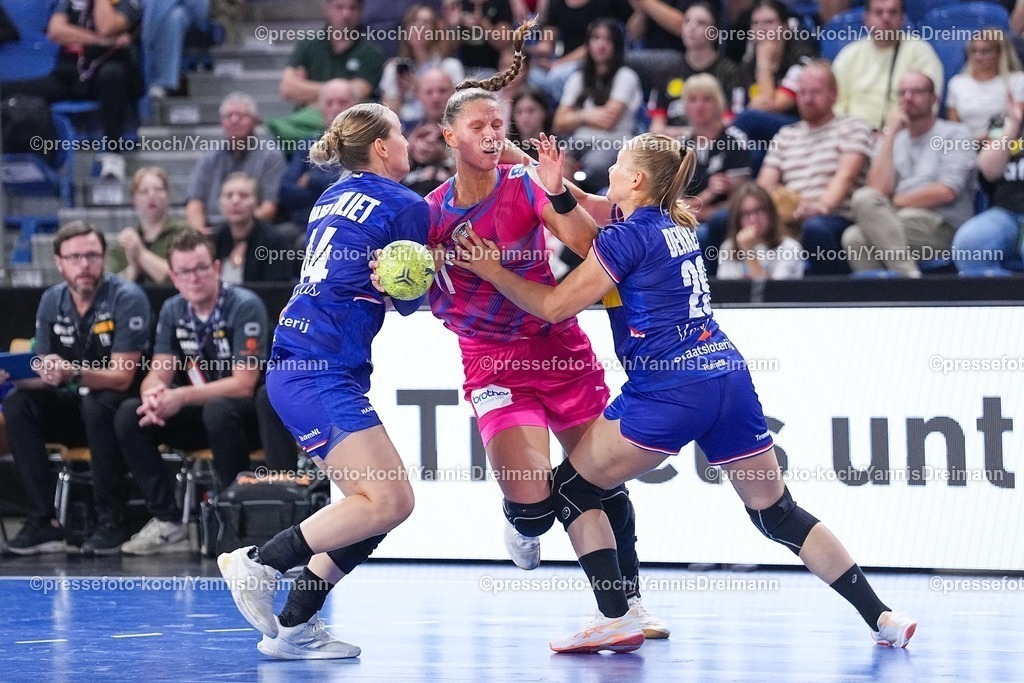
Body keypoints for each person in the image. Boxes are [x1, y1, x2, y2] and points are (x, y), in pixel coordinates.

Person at [451, 131, 918, 653]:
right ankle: (883, 617)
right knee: (777, 512)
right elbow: (597, 209)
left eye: (618, 165)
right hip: (727, 376)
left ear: (636, 179)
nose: (607, 171)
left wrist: (490, 269)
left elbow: (556, 305)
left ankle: (614, 616)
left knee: (571, 489)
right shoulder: (676, 223)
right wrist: (548, 179)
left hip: (670, 386)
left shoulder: (626, 238)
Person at [423, 19, 668, 639]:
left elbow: (590, 245)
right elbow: (410, 288)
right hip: (491, 359)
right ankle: (524, 523)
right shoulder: (427, 214)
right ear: (449, 135)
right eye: (476, 125)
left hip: (557, 350)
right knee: (533, 504)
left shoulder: (527, 185)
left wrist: (556, 191)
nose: (489, 132)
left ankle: (626, 605)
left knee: (598, 477)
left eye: (497, 124)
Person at [217, 102, 428, 659]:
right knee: (390, 499)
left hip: (302, 362)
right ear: (382, 147)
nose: (408, 144)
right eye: (401, 135)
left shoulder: (330, 196)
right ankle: (258, 563)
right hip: (321, 367)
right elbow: (413, 298)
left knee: (376, 504)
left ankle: (294, 626)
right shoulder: (404, 204)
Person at [114, 229, 269, 554]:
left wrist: (179, 396)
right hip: (200, 413)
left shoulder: (244, 305)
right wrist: (154, 395)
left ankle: (235, 519)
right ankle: (169, 523)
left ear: (215, 268)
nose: (193, 278)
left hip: (245, 417)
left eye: (200, 268)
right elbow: (160, 371)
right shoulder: (173, 310)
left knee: (219, 409)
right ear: (173, 276)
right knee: (131, 414)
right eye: (184, 271)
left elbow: (243, 384)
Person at [2, 222, 150, 555]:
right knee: (17, 404)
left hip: (121, 409)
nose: (84, 265)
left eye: (92, 256)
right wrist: (11, 375)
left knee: (98, 402)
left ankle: (111, 519)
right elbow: (43, 373)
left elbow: (123, 376)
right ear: (58, 262)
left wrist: (72, 373)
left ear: (103, 259)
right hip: (73, 406)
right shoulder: (51, 301)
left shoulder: (127, 297)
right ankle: (44, 521)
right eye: (74, 257)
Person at [843, 72, 976, 277]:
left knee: (861, 222)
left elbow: (946, 192)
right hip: (896, 223)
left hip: (942, 224)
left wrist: (892, 202)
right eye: (902, 93)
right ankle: (897, 291)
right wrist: (890, 135)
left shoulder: (956, 134)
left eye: (917, 91)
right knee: (853, 237)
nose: (908, 98)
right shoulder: (892, 139)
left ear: (935, 98)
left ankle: (908, 285)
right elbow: (878, 190)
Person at [0, 0, 144, 180]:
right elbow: (56, 31)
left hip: (107, 76)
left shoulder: (128, 3)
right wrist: (99, 41)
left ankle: (113, 154)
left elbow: (106, 26)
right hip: (70, 75)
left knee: (112, 76)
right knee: (6, 90)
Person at [757, 61, 872, 276]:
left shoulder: (853, 128)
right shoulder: (785, 135)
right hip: (789, 217)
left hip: (836, 217)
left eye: (815, 92)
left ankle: (828, 300)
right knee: (723, 223)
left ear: (834, 95)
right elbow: (764, 185)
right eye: (802, 92)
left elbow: (845, 177)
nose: (807, 99)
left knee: (815, 228)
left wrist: (822, 206)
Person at [552, 18, 644, 192]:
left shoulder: (626, 76)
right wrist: (585, 116)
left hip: (612, 143)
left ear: (616, 45)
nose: (601, 44)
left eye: (608, 39)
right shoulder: (577, 78)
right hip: (579, 142)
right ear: (588, 43)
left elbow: (608, 120)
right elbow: (558, 123)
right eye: (596, 38)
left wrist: (575, 116)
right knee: (558, 167)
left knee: (593, 167)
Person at [832, 0, 943, 130]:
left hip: (906, 135)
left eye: (893, 12)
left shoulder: (920, 52)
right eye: (879, 12)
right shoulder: (849, 54)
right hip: (852, 136)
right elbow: (834, 104)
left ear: (902, 18)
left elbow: (928, 105)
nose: (886, 18)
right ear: (866, 19)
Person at [185, 93, 287, 233]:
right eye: (229, 116)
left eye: (241, 115)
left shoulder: (271, 156)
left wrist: (233, 231)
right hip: (212, 229)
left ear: (255, 121)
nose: (234, 120)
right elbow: (194, 202)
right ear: (222, 122)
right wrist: (199, 232)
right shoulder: (210, 156)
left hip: (254, 231)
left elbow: (269, 207)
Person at [952, 95, 1024, 275]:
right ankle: (1001, 298)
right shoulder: (1003, 122)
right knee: (968, 245)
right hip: (1006, 213)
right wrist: (1013, 126)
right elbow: (989, 171)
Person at [379, 4, 464, 124]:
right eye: (413, 22)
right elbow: (388, 119)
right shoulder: (394, 68)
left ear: (435, 30)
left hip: (440, 127)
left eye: (426, 22)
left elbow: (458, 112)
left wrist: (420, 91)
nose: (419, 27)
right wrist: (400, 93)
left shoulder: (450, 67)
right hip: (403, 129)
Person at [106, 167, 188, 285]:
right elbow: (109, 288)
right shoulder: (123, 243)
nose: (152, 195)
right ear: (134, 199)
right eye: (144, 191)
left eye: (158, 190)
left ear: (168, 196)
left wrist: (141, 254)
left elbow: (183, 278)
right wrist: (133, 270)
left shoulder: (184, 234)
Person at [211, 173, 295, 284]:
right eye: (228, 195)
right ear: (220, 204)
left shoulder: (275, 242)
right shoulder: (215, 240)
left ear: (257, 202)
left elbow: (277, 291)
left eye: (243, 195)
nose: (235, 201)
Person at [946, 28, 1024, 140]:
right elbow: (953, 126)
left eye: (985, 51)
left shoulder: (1018, 80)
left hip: (1007, 145)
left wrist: (988, 141)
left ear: (1000, 53)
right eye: (973, 51)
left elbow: (1016, 121)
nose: (978, 57)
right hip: (966, 147)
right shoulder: (957, 83)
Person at [718, 183, 803, 279]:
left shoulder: (790, 248)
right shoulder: (728, 247)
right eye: (746, 214)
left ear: (771, 213)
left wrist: (749, 252)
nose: (753, 219)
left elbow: (774, 292)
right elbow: (725, 291)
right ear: (737, 220)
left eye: (759, 211)